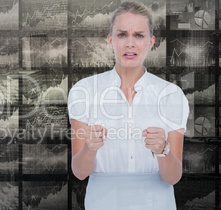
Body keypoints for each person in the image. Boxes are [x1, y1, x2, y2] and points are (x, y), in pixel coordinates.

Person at [67, 1, 189, 209]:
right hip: (102, 203)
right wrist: (89, 147)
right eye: (122, 35)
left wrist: (162, 150)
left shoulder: (171, 95)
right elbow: (79, 172)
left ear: (151, 41)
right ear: (110, 40)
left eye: (139, 35)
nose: (130, 43)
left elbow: (173, 177)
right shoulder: (84, 91)